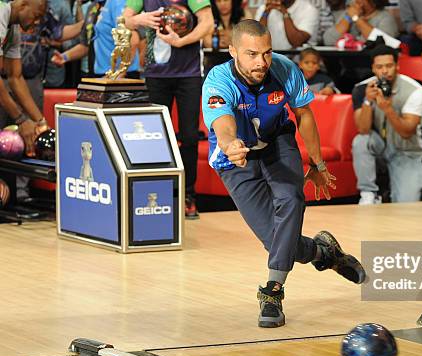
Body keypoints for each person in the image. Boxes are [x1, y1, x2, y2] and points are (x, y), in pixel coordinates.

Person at [201, 20, 366, 328]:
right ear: (233, 50)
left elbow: (304, 114)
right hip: (236, 158)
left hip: (278, 143)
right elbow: (222, 123)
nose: (261, 62)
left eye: (266, 52)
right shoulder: (218, 79)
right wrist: (230, 144)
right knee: (275, 239)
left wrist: (317, 165)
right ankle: (323, 252)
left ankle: (272, 291)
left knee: (291, 198)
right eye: (251, 54)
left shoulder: (285, 68)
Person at [124, 0, 213, 219]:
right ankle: (156, 193)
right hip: (155, 74)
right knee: (155, 137)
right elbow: (125, 20)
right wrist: (137, 19)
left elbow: (207, 23)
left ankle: (187, 195)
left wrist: (182, 41)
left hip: (189, 74)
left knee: (190, 137)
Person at [351, 44, 422, 205]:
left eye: (389, 66)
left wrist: (388, 110)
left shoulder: (415, 91)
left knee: (407, 207)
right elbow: (363, 129)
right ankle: (368, 194)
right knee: (360, 141)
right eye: (379, 67)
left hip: (406, 151)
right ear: (373, 68)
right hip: (379, 147)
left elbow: (407, 132)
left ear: (397, 66)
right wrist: (367, 101)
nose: (384, 71)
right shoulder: (362, 89)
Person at [0, 0, 49, 157]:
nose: (37, 22)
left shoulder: (13, 29)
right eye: (36, 16)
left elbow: (15, 77)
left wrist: (41, 122)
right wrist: (21, 119)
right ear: (23, 5)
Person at [51, 0, 141, 79]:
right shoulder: (93, 7)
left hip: (121, 77)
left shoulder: (118, 2)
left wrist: (119, 73)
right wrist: (64, 57)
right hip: (100, 74)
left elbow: (132, 40)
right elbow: (87, 45)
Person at [322, 0, 398, 47]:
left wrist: (356, 18)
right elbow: (329, 41)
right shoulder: (350, 13)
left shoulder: (385, 17)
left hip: (373, 65)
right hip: (348, 65)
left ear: (373, 2)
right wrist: (348, 17)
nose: (356, 1)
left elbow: (382, 43)